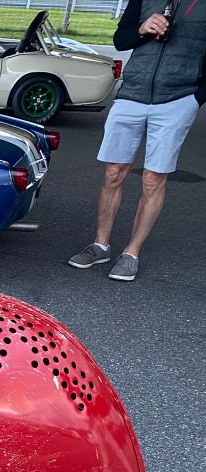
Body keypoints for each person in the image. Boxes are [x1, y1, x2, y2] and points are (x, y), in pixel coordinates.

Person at [69, 0, 206, 281]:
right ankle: (100, 245)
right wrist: (142, 29)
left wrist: (196, 98)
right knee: (113, 172)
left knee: (153, 178)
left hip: (178, 99)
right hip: (132, 94)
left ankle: (131, 253)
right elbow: (121, 40)